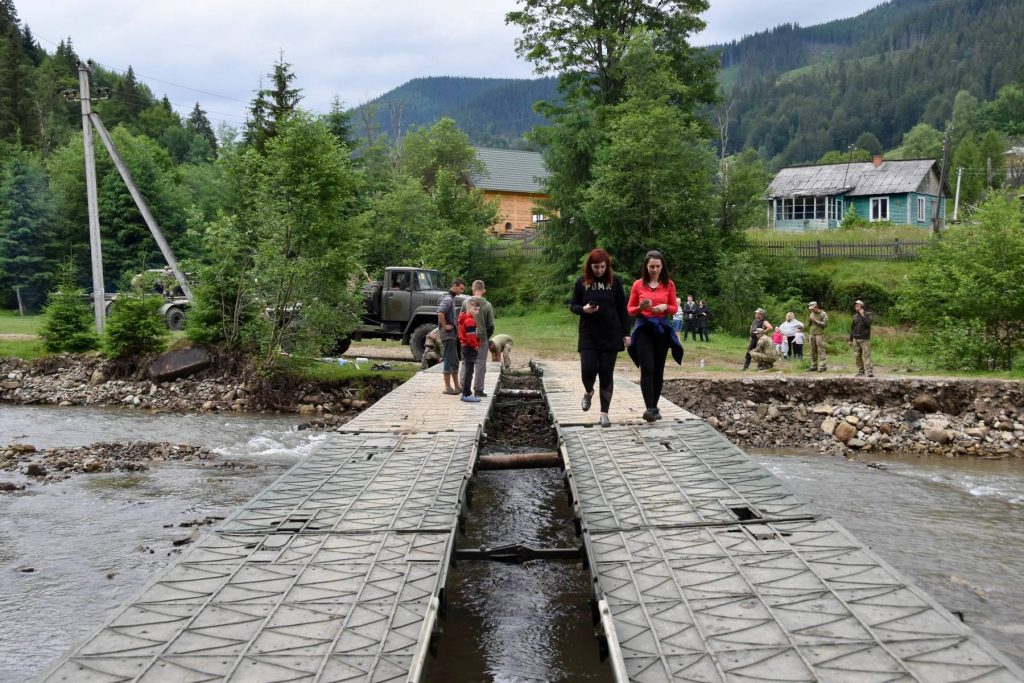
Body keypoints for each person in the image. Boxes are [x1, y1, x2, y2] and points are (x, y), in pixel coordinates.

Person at [569, 248, 631, 428]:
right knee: (587, 370)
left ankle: (604, 413)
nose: (599, 270)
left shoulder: (615, 282)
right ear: (590, 266)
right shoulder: (582, 282)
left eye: (602, 267)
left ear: (607, 266)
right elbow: (573, 305)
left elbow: (622, 309)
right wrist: (584, 309)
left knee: (606, 373)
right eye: (595, 267)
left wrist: (626, 333)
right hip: (588, 334)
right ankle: (589, 391)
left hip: (611, 335)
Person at [627, 250, 683, 422]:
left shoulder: (669, 285)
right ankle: (649, 408)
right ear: (646, 266)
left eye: (658, 266)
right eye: (651, 266)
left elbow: (674, 308)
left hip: (661, 330)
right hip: (644, 328)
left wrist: (665, 306)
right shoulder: (638, 284)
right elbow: (630, 309)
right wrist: (640, 308)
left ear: (662, 267)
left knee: (658, 369)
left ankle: (655, 407)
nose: (655, 269)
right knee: (647, 368)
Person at [461, 280, 495, 397]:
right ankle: (479, 389)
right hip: (481, 337)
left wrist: (463, 336)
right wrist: (486, 335)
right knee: (480, 363)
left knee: (466, 361)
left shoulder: (466, 302)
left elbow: (461, 319)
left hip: (467, 338)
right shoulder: (488, 305)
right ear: (484, 291)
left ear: (472, 289)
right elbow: (491, 324)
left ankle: (463, 386)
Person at [437, 277, 466, 394]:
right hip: (448, 335)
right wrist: (445, 326)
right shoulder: (448, 299)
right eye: (461, 288)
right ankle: (447, 387)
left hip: (452, 335)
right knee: (449, 360)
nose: (461, 291)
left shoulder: (449, 298)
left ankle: (457, 386)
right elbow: (440, 312)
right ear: (454, 285)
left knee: (454, 360)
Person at [458, 298, 483, 403]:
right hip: (469, 347)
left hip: (465, 346)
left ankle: (465, 392)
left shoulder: (463, 317)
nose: (477, 312)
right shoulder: (470, 321)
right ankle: (466, 394)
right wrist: (476, 346)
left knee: (468, 370)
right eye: (475, 309)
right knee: (469, 371)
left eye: (478, 309)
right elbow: (471, 337)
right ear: (469, 308)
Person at [849, 299, 874, 377]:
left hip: (865, 339)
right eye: (856, 306)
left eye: (858, 306)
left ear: (862, 307)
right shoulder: (855, 316)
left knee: (867, 355)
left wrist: (863, 315)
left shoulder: (868, 314)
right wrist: (850, 339)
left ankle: (869, 371)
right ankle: (861, 371)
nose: (857, 307)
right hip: (855, 338)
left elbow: (869, 324)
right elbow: (852, 328)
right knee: (857, 355)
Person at [807, 301, 829, 372]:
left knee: (821, 350)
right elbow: (810, 324)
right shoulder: (811, 314)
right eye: (811, 309)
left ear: (816, 307)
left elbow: (825, 324)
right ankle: (814, 365)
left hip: (819, 334)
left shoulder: (823, 314)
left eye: (813, 309)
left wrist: (816, 321)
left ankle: (823, 366)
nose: (812, 310)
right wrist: (809, 321)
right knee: (812, 350)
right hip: (812, 334)